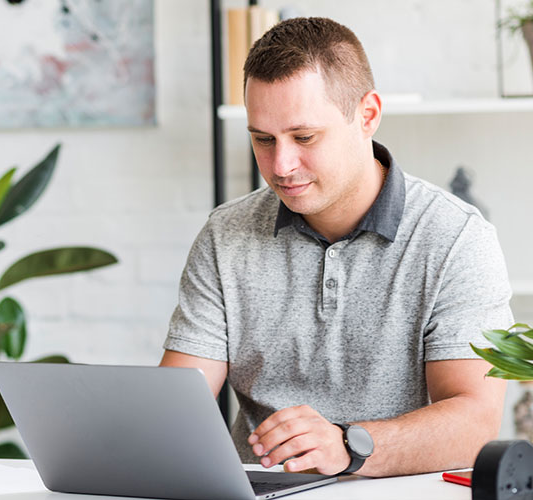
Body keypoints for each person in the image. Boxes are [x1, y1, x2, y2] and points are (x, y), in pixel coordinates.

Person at [160, 17, 512, 477]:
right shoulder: (226, 234)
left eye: (304, 137)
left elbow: (475, 423)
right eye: (262, 139)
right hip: (257, 489)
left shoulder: (455, 238)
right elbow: (175, 405)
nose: (281, 165)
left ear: (366, 115)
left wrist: (349, 445)